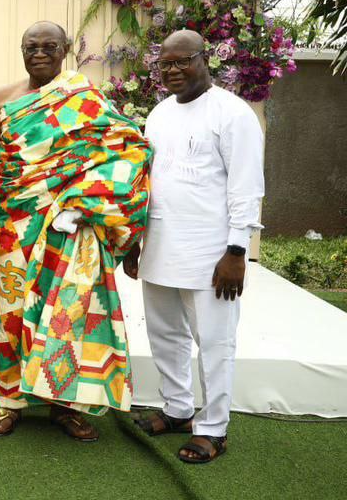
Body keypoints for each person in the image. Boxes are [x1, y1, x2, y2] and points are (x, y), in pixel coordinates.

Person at [0, 21, 151, 441]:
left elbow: (126, 152)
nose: (39, 53)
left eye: (49, 46)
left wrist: (103, 213)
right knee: (9, 313)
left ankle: (63, 404)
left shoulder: (85, 98)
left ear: (66, 49)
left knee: (65, 314)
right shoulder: (2, 100)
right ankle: (8, 401)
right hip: (12, 224)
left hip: (66, 228)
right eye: (30, 47)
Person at [125, 29, 264, 464]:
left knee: (215, 342)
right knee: (165, 334)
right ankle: (178, 408)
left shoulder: (233, 113)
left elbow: (246, 187)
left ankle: (214, 427)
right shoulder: (159, 113)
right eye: (165, 63)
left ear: (205, 60)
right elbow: (147, 182)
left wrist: (237, 251)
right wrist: (134, 240)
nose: (173, 70)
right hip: (159, 244)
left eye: (182, 61)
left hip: (212, 253)